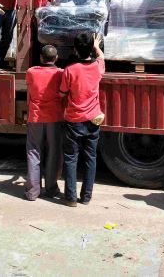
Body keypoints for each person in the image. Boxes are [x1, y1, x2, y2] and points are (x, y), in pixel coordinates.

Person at [60, 32, 105, 207]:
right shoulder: (97, 67)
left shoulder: (70, 70)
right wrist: (96, 46)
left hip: (74, 120)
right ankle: (86, 197)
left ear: (75, 50)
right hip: (94, 118)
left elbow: (62, 92)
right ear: (90, 48)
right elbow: (101, 56)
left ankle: (71, 198)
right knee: (90, 158)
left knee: (71, 158)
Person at [24, 45, 65, 201]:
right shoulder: (61, 73)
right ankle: (51, 189)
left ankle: (33, 192)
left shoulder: (31, 72)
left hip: (35, 117)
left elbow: (29, 95)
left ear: (41, 57)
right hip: (54, 117)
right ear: (56, 58)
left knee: (33, 152)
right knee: (54, 153)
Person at [32, 0, 59, 64]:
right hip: (37, 19)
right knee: (39, 42)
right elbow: (37, 11)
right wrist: (40, 27)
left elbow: (52, 1)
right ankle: (38, 63)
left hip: (44, 17)